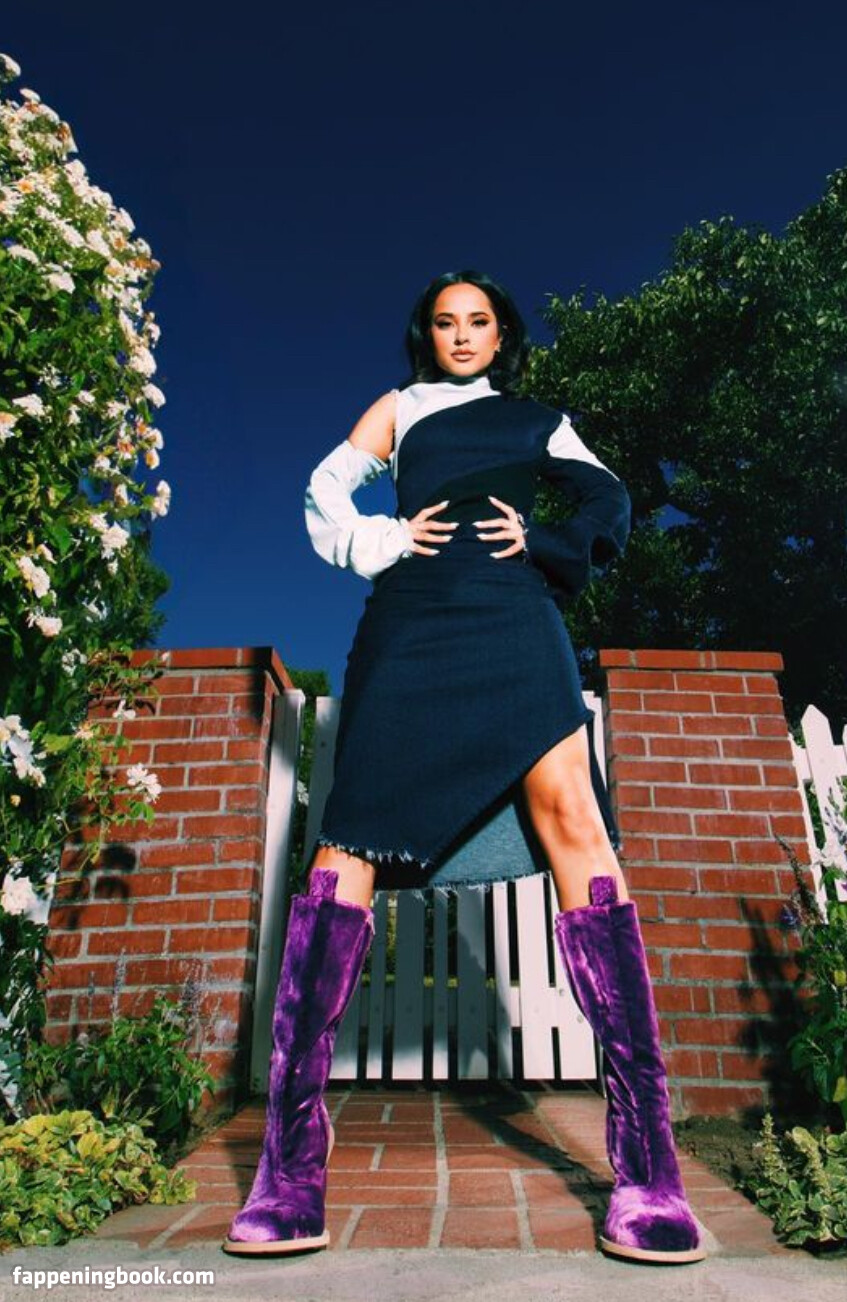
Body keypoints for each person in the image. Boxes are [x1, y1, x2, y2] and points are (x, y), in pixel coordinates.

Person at [222, 271, 706, 1264]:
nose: (461, 334)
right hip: (409, 627)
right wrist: (385, 538)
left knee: (574, 822)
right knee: (347, 846)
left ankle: (647, 1165)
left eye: (477, 320)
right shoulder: (398, 409)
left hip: (515, 621)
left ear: (500, 333)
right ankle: (290, 1164)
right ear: (427, 334)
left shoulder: (536, 418)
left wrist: (551, 542)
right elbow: (324, 490)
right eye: (444, 321)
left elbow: (608, 495)